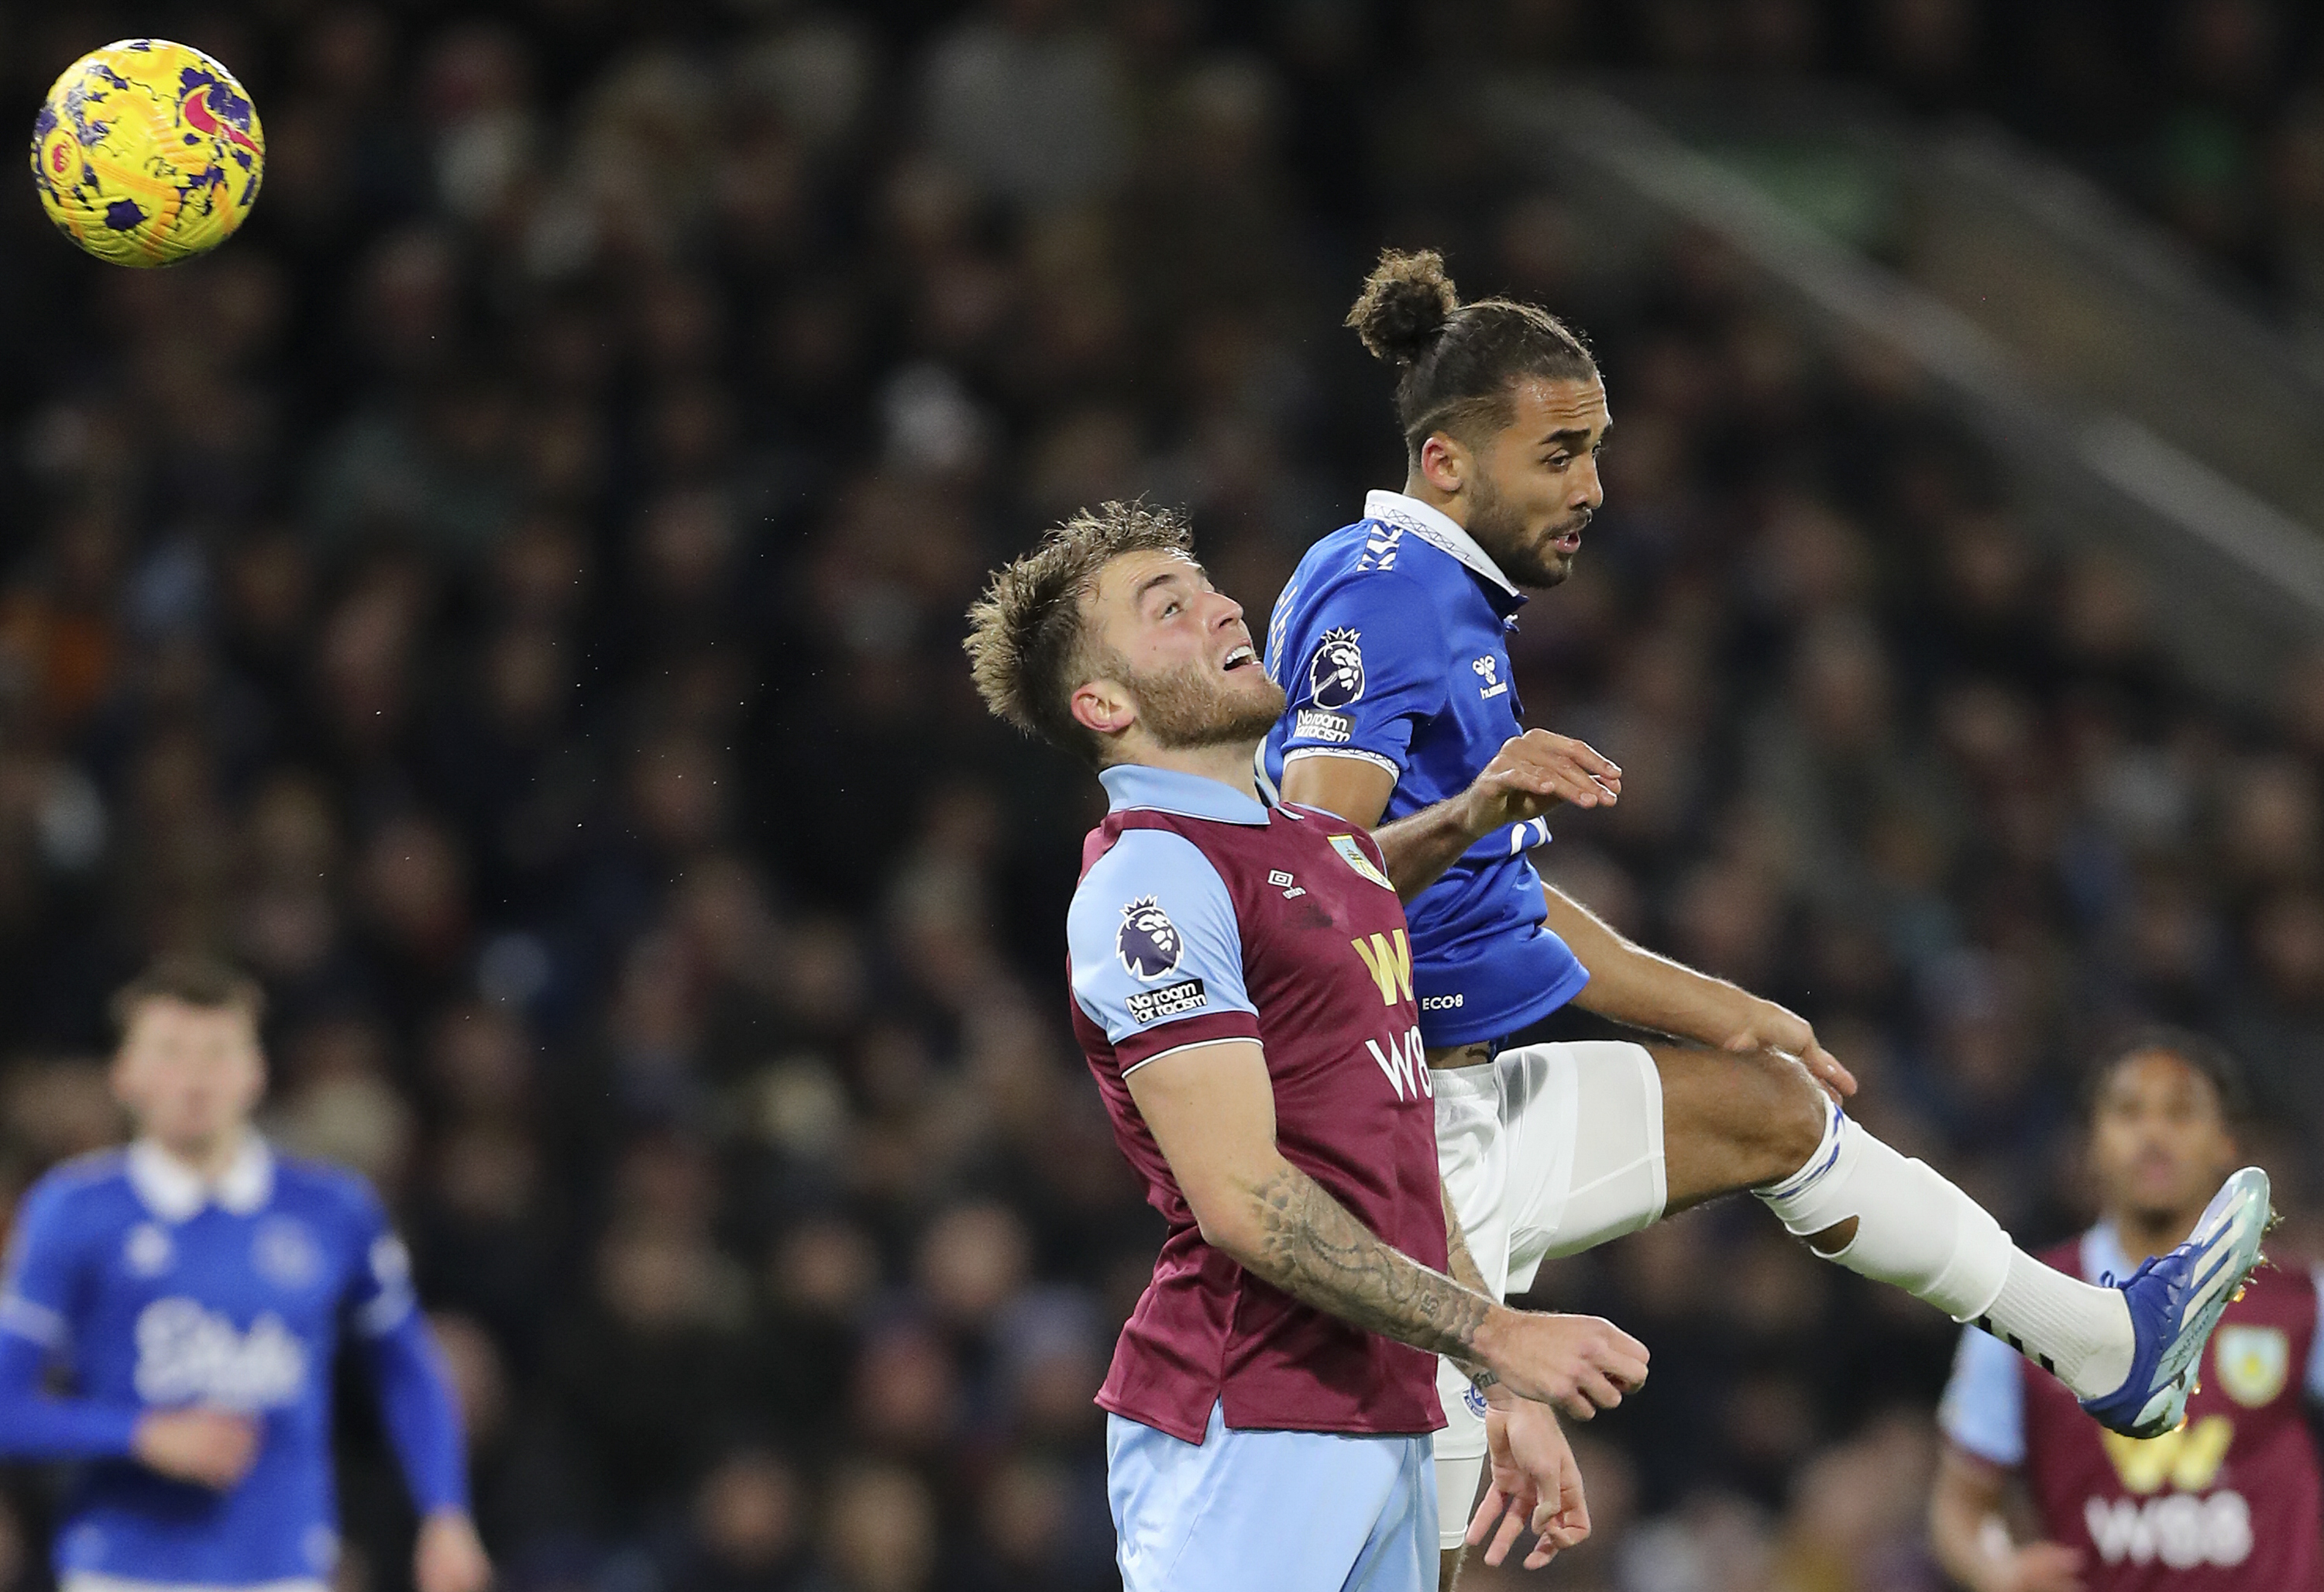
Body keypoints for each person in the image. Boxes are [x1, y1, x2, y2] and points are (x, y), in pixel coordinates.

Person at [1258, 247, 2272, 1587]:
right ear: (1448, 464)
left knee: (1776, 1107)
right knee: (1441, 1562)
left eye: (1599, 452)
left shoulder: (1439, 598)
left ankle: (2107, 1349)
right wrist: (1466, 812)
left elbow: (1500, 910)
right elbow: (1305, 891)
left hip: (1472, 1108)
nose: (1593, 489)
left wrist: (1725, 1008)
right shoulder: (1387, 598)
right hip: (1393, 1146)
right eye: (1559, 455)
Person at [962, 500, 1653, 1592]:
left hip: (1379, 1410)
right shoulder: (1152, 880)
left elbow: (1395, 1143)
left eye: (1206, 584)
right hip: (1247, 1417)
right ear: (1105, 702)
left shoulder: (1317, 846)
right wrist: (1495, 1330)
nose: (1223, 604)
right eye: (1169, 608)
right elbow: (1242, 1197)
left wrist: (1492, 1374)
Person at [0, 958, 491, 1592]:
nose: (195, 1076)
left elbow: (404, 1363)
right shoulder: (74, 1211)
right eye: (171, 1051)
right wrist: (141, 1434)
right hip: (122, 1567)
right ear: (125, 1073)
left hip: (282, 1569)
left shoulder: (332, 1209)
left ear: (256, 1070)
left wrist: (445, 1511)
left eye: (218, 1051)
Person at [1932, 1032, 2322, 1592]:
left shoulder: (2300, 1299)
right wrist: (1997, 1571)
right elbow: (1960, 1505)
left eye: (2181, 1112)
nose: (2154, 1134)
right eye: (2128, 1111)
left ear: (2227, 1142)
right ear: (2091, 1143)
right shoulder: (2023, 1304)